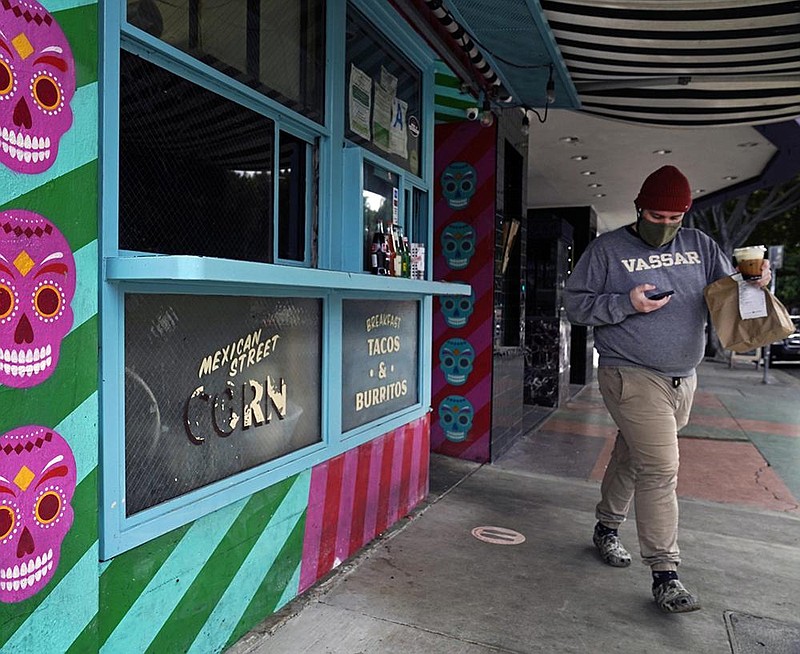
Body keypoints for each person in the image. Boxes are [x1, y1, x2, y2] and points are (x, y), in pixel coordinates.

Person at [563, 165, 771, 613]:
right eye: (654, 215)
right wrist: (626, 303)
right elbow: (575, 305)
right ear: (639, 209)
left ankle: (605, 527)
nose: (663, 224)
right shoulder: (608, 249)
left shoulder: (701, 245)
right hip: (629, 372)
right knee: (661, 468)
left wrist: (754, 284)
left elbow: (725, 296)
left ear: (686, 213)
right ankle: (666, 574)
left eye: (672, 217)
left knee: (633, 457)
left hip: (683, 378)